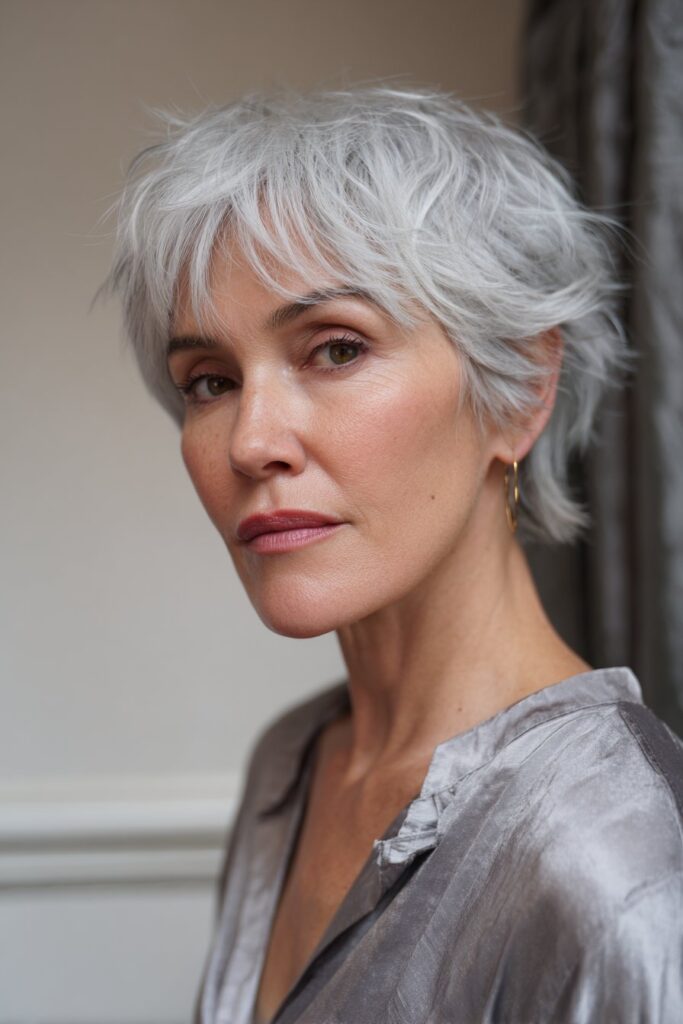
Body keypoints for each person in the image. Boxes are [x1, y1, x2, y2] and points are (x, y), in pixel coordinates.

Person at [106, 87, 683, 1023]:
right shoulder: (291, 764)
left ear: (521, 389)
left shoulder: (618, 866)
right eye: (208, 381)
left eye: (334, 349)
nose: (251, 441)